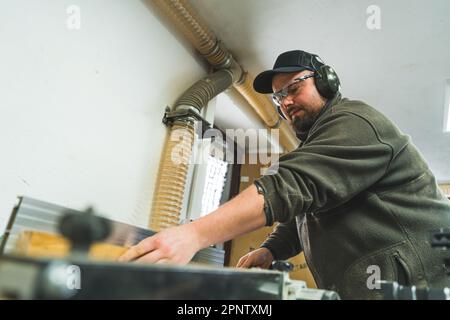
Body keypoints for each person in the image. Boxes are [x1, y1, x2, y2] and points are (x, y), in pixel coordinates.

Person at [119, 50, 450, 299]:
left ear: (326, 82)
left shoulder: (355, 122)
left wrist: (192, 235)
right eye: (278, 97)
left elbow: (288, 186)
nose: (285, 102)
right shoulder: (317, 146)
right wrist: (271, 250)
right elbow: (304, 213)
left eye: (293, 88)